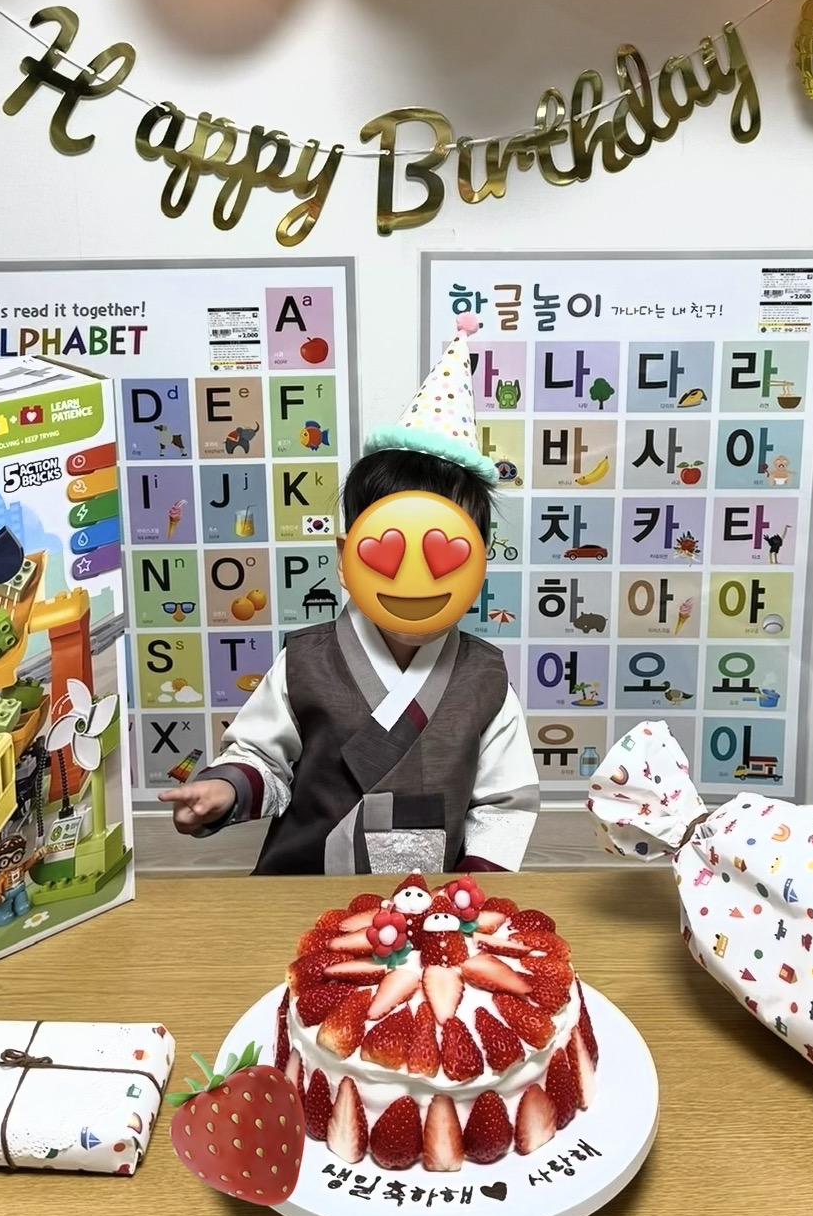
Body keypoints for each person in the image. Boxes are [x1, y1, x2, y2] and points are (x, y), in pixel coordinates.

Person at [161, 321, 539, 875]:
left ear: (477, 563)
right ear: (347, 557)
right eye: (391, 548)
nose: (415, 576)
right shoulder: (306, 662)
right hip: (304, 888)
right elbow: (261, 756)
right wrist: (226, 788)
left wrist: (473, 891)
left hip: (431, 904)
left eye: (443, 552)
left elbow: (503, 805)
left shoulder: (485, 678)